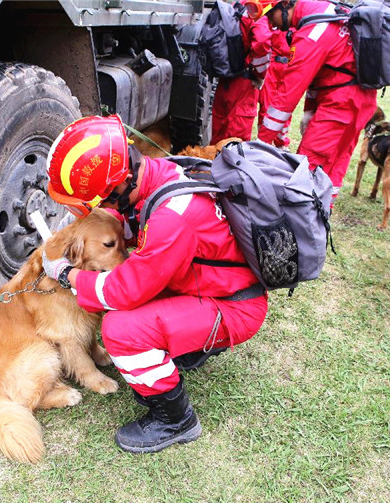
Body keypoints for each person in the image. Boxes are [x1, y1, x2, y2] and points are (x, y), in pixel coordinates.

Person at [42, 114, 268, 454]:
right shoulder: (160, 173)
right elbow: (128, 221)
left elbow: (121, 292)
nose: (98, 209)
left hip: (235, 306)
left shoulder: (173, 219)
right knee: (139, 305)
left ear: (119, 186)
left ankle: (176, 420)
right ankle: (190, 346)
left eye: (98, 201)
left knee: (121, 328)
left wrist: (66, 274)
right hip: (213, 285)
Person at [246, 0, 377, 203]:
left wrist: (261, 142)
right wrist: (309, 113)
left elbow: (288, 92)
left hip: (340, 105)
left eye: (272, 17)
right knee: (335, 166)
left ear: (284, 5)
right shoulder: (323, 12)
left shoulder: (313, 33)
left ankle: (303, 221)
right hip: (359, 101)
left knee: (308, 168)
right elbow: (320, 77)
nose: (272, 25)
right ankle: (322, 216)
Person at [210, 2, 271, 145]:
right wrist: (260, 75)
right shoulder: (256, 10)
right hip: (244, 84)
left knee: (218, 137)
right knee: (236, 141)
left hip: (225, 79)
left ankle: (212, 165)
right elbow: (262, 42)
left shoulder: (236, 6)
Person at [257, 26, 294, 148]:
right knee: (266, 105)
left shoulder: (296, 18)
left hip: (289, 66)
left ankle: (281, 143)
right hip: (272, 65)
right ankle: (263, 142)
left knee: (285, 106)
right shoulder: (276, 15)